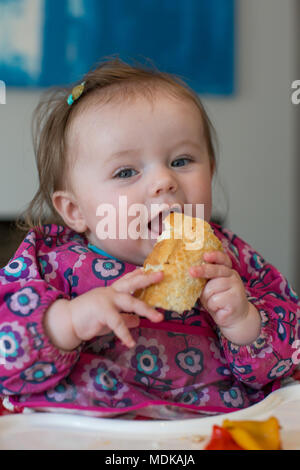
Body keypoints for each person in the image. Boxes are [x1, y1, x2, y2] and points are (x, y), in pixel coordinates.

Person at [0, 57, 299, 420]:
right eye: (126, 171)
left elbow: (287, 360)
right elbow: (7, 359)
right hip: (84, 431)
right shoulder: (49, 263)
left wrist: (244, 322)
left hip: (211, 428)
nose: (164, 181)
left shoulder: (232, 260)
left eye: (181, 160)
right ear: (75, 210)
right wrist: (68, 322)